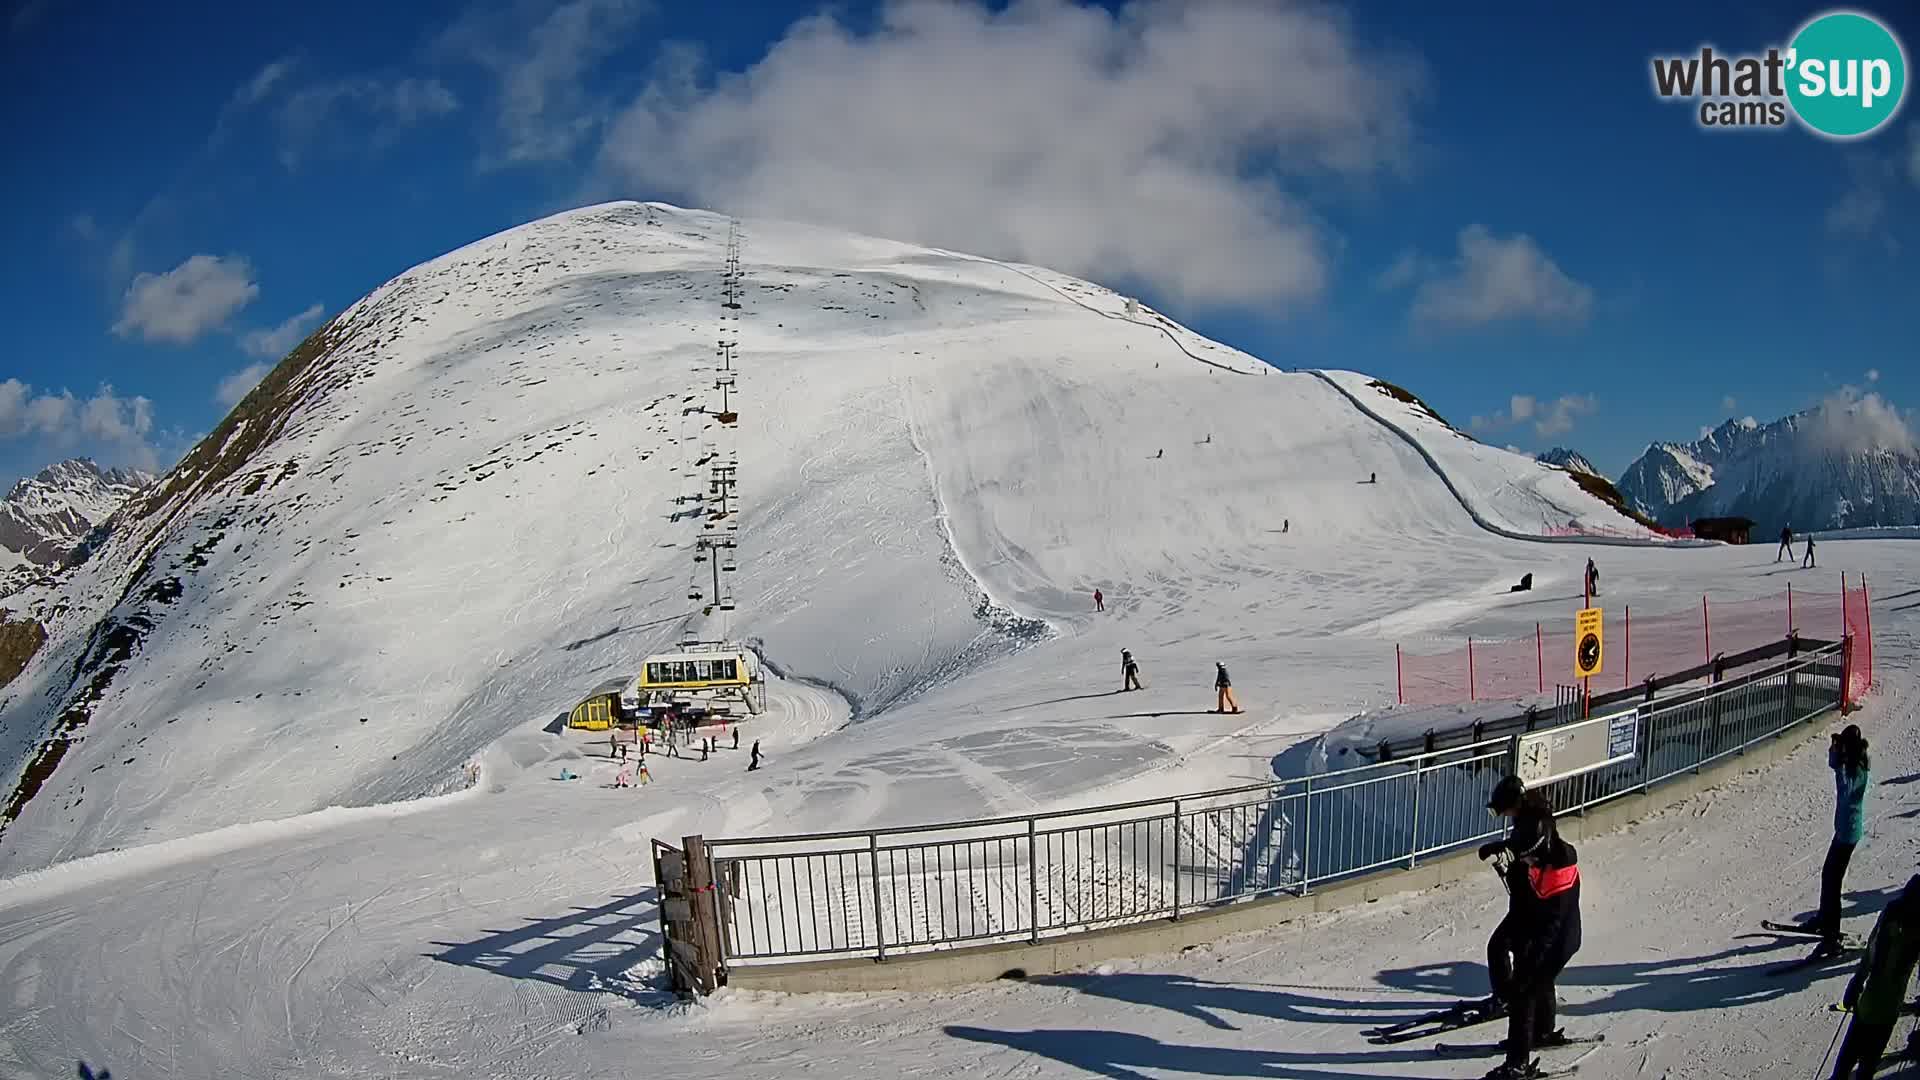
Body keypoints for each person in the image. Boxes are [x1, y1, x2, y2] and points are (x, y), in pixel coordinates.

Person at [1483, 790, 1582, 1080]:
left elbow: (1552, 925)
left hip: (1558, 939)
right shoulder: (1545, 853)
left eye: (1525, 858)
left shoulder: (1555, 874)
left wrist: (1528, 961)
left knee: (1524, 994)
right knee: (1535, 985)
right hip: (1550, 934)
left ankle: (1517, 1064)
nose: (1521, 862)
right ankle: (1541, 1032)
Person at [1832, 875, 1920, 1078]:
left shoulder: (1892, 912)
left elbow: (1870, 953)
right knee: (1867, 1063)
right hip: (1888, 1005)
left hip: (1869, 1000)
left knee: (1848, 1054)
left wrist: (1856, 982)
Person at [1807, 725, 1872, 956]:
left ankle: (1831, 936)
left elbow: (1844, 788)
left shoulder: (1856, 771)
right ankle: (1824, 918)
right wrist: (1838, 756)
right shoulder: (1857, 763)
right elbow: (1835, 766)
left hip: (1847, 834)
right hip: (1845, 831)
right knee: (1828, 874)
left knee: (1834, 883)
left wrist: (1839, 762)